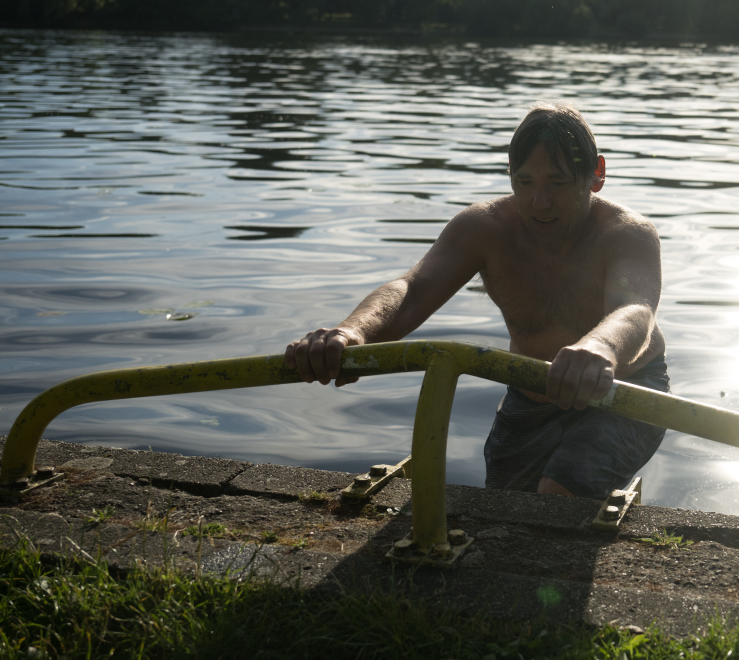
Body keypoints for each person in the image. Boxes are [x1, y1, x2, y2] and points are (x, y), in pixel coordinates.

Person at [283, 102, 669, 500]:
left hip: (626, 390)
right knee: (501, 508)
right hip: (529, 396)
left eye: (557, 183)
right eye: (524, 182)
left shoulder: (627, 233)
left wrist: (600, 346)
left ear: (597, 175)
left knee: (558, 493)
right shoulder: (484, 228)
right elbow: (413, 290)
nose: (539, 203)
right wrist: (352, 331)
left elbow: (634, 309)